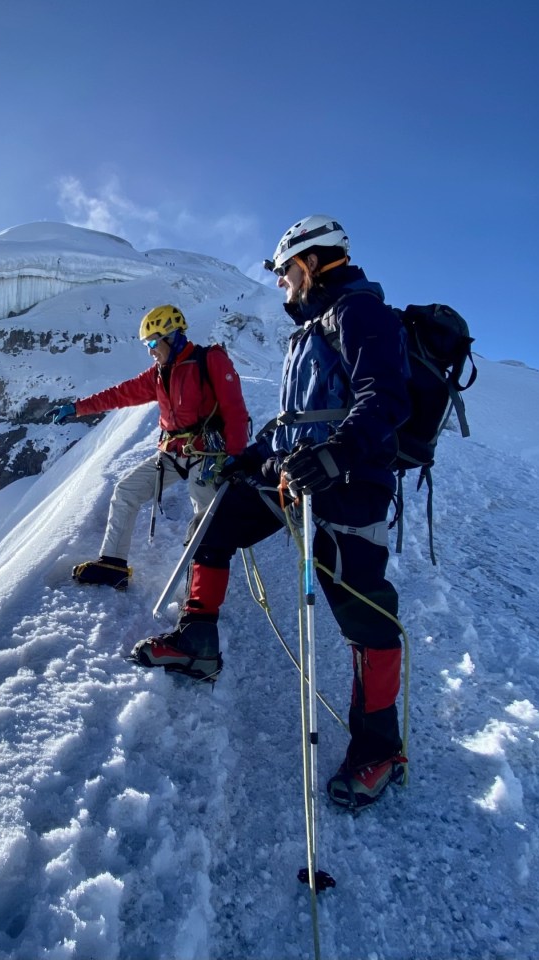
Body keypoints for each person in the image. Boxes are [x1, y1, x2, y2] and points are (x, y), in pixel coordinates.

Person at [130, 216, 411, 809]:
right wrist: (248, 458)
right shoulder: (312, 329)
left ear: (309, 263)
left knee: (365, 618)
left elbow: (385, 398)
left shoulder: (361, 315)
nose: (282, 284)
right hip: (293, 474)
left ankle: (380, 749)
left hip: (349, 485)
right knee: (219, 519)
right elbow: (290, 422)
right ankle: (198, 642)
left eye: (285, 272)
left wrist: (337, 456)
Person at [48, 304, 250, 590]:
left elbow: (235, 410)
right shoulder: (158, 374)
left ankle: (201, 592)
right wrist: (78, 408)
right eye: (147, 344)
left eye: (153, 342)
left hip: (207, 453)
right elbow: (120, 394)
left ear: (172, 336)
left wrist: (236, 455)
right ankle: (113, 563)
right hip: (172, 453)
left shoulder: (210, 360)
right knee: (126, 491)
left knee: (204, 513)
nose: (150, 351)